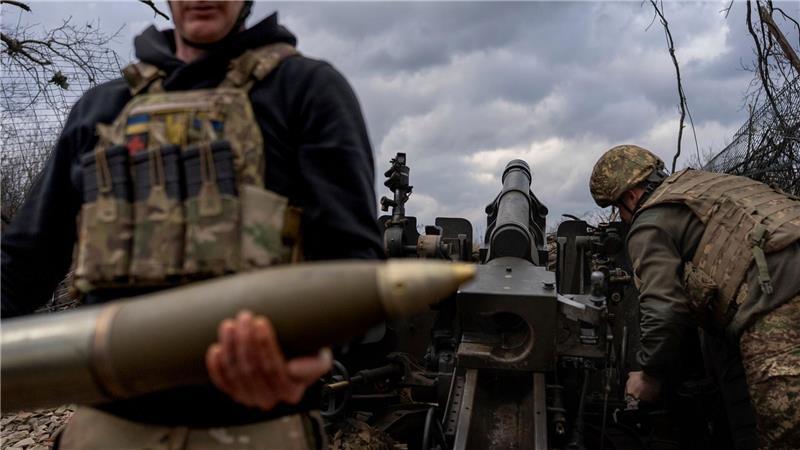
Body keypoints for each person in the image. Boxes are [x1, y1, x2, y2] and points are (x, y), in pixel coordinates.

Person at [1, 1, 383, 447]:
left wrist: (316, 354)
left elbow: (357, 268)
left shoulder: (307, 91)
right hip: (110, 427)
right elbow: (24, 262)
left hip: (255, 426)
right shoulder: (102, 107)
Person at [589, 144, 800, 449]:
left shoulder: (649, 221)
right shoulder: (709, 185)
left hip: (779, 301)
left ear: (632, 196)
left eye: (617, 208)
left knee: (785, 433)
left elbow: (663, 311)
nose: (621, 218)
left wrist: (648, 373)